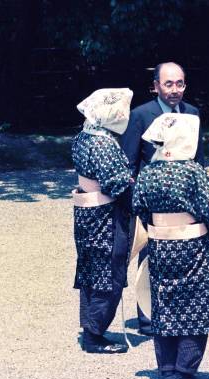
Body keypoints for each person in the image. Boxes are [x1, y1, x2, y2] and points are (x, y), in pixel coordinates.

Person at [132, 113, 209, 379]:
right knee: (196, 306)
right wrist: (208, 232)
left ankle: (167, 371)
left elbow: (139, 208)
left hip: (160, 244)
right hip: (192, 244)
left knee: (164, 306)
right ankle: (186, 370)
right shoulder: (193, 171)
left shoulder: (149, 171)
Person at [120, 62, 204, 335]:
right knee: (149, 259)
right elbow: (130, 163)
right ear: (156, 85)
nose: (175, 90)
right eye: (169, 84)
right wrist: (135, 204)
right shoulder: (141, 115)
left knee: (185, 257)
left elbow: (199, 161)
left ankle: (177, 313)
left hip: (185, 203)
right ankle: (148, 317)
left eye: (180, 83)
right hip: (152, 203)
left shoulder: (192, 113)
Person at [71, 88, 134, 354]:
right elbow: (117, 185)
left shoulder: (83, 136)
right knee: (110, 272)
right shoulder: (104, 143)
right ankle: (95, 333)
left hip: (86, 210)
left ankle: (90, 326)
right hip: (105, 214)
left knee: (90, 269)